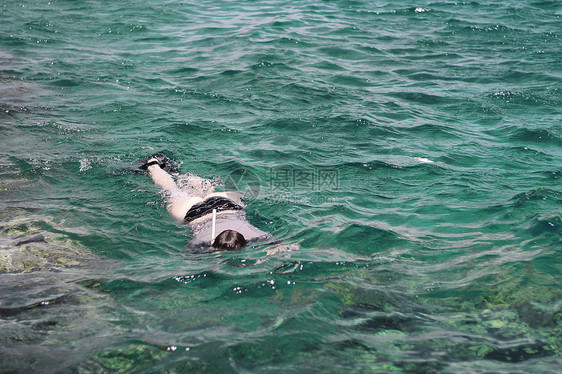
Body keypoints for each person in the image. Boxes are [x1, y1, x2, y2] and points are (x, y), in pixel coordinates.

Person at [139, 153, 269, 251]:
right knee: (171, 190)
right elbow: (189, 254)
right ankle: (154, 165)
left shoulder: (258, 236)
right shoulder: (201, 243)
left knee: (203, 189)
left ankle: (171, 171)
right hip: (194, 215)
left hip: (226, 205)